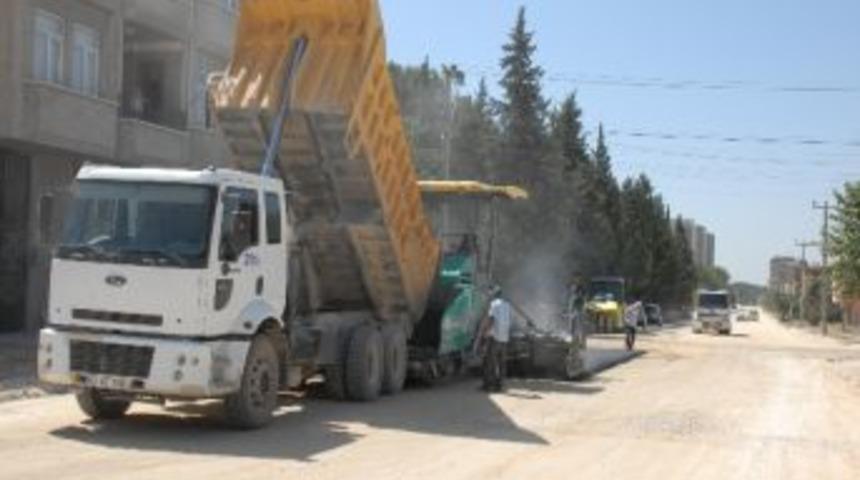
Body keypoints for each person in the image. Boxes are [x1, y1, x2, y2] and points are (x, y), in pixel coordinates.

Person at [481, 285, 512, 392]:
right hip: (505, 338)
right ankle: (500, 385)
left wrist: (485, 332)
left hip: (495, 337)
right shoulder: (507, 305)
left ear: (494, 294)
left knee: (490, 362)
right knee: (502, 363)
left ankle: (488, 385)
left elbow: (491, 319)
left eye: (490, 293)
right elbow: (508, 321)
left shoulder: (494, 304)